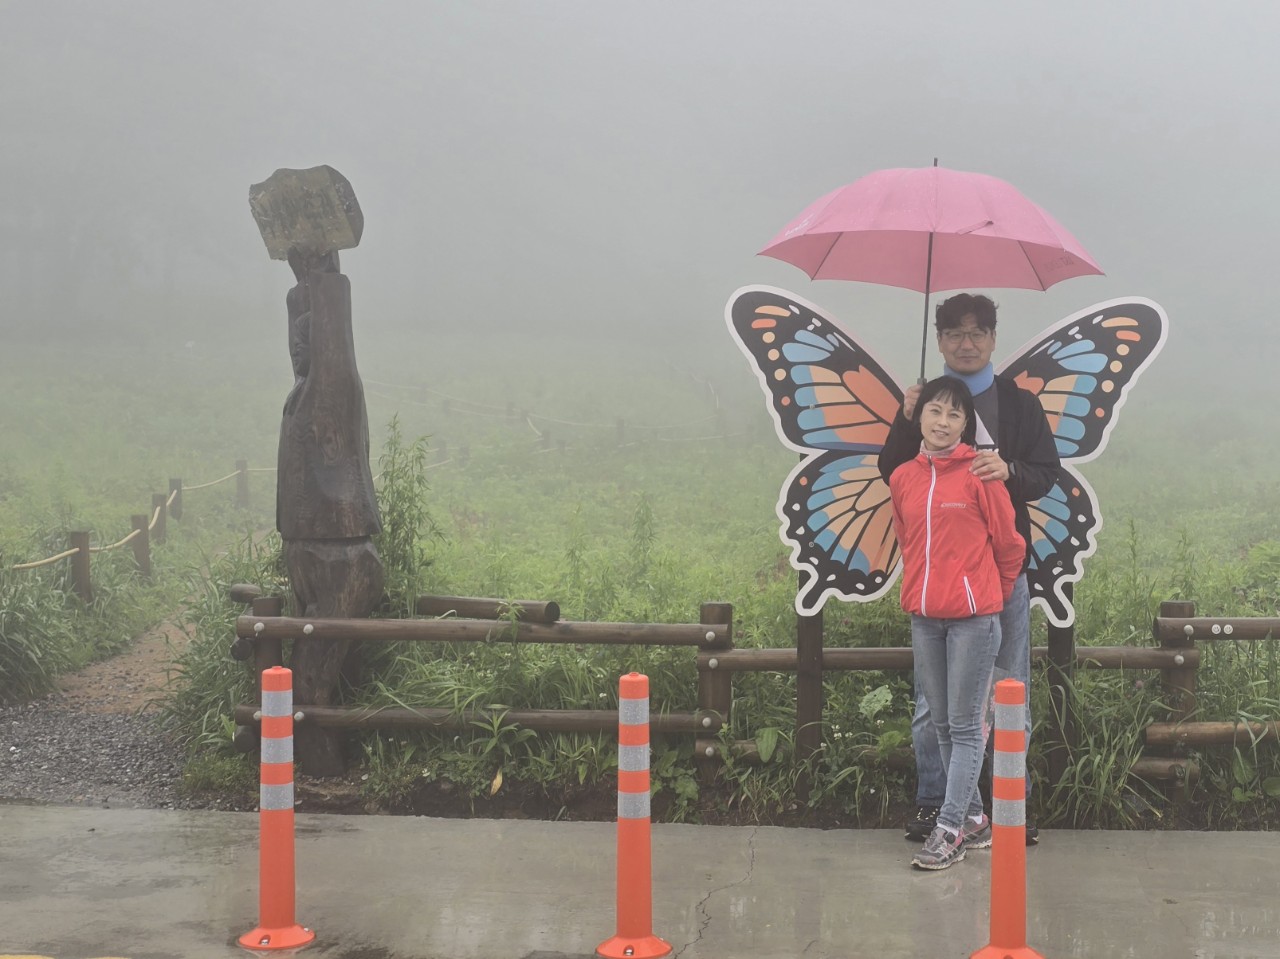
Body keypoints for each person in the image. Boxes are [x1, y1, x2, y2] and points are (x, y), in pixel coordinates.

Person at [879, 293, 1061, 846]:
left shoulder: (1019, 404)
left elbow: (1046, 472)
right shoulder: (922, 403)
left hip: (1001, 578)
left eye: (977, 332)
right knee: (933, 704)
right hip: (940, 582)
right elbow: (895, 472)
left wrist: (1008, 470)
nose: (966, 343)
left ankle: (1008, 807)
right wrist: (906, 417)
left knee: (1008, 692)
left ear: (993, 339)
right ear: (938, 340)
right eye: (955, 333)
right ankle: (935, 802)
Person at [888, 375, 1025, 870]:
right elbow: (907, 541)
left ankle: (949, 830)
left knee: (966, 727)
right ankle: (974, 818)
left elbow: (1010, 546)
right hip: (925, 618)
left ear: (966, 424)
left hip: (973, 620)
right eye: (935, 411)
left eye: (954, 414)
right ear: (920, 416)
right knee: (943, 725)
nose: (943, 422)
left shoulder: (981, 475)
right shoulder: (903, 477)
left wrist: (989, 597)